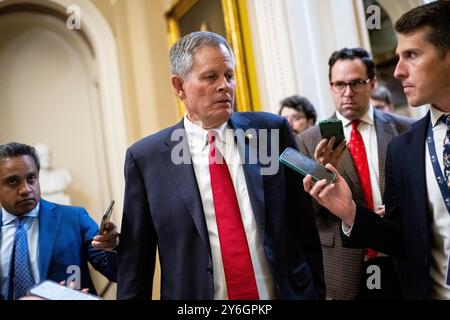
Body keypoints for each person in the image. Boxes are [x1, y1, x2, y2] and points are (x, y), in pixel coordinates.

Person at [117, 31, 324, 300]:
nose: (224, 85)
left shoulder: (271, 132)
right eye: (210, 76)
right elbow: (136, 262)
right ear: (179, 86)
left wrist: (317, 293)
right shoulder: (145, 159)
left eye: (229, 75)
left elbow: (303, 224)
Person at [303, 1, 450, 300]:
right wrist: (350, 211)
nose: (397, 72)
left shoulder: (399, 130)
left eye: (412, 55)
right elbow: (400, 234)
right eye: (338, 84)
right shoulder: (406, 147)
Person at [297, 47, 413, 299]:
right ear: (330, 87)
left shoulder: (406, 129)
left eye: (356, 83)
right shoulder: (307, 141)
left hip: (401, 258)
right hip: (345, 267)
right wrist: (322, 173)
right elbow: (304, 217)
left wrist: (397, 209)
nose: (347, 93)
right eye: (339, 84)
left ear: (372, 83)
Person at [0, 142, 119, 300]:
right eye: (13, 181)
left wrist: (114, 245)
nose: (26, 189)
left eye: (31, 178)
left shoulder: (74, 219)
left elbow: (118, 272)